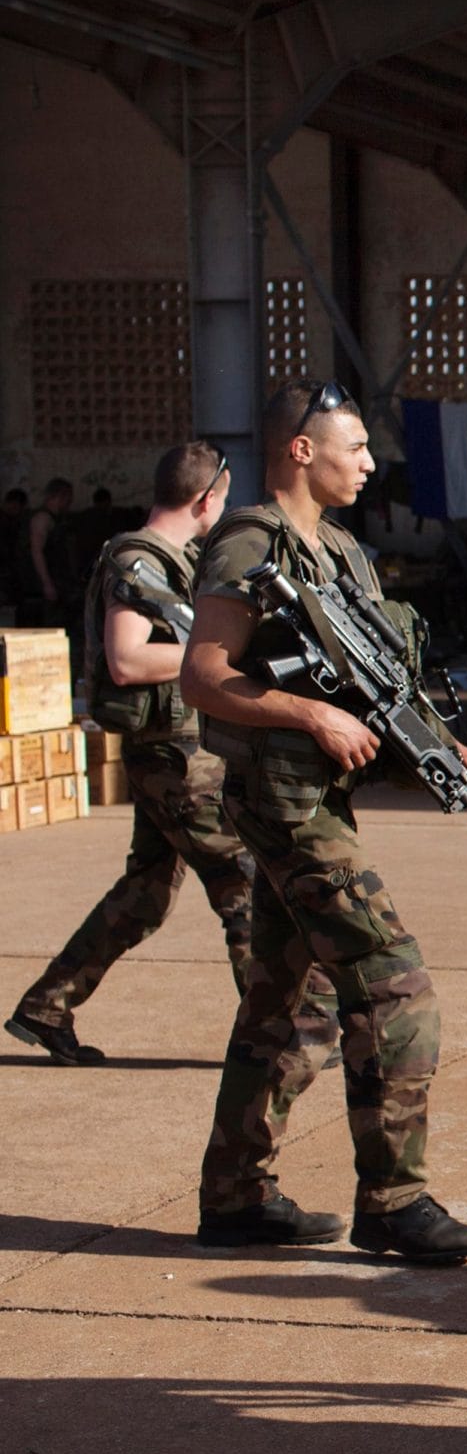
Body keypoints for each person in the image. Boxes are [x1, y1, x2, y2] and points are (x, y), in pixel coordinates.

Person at [181, 379, 467, 1261]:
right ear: (300, 450)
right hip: (281, 801)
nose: (367, 462)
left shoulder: (345, 553)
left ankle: (235, 1194)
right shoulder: (251, 541)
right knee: (394, 985)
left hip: (319, 798)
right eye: (353, 446)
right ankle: (394, 1200)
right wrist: (309, 715)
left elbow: (378, 686)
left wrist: (441, 745)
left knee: (290, 1001)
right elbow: (204, 676)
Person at [10, 442, 280, 1065]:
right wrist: (217, 662)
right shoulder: (137, 560)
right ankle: (274, 1035)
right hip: (173, 758)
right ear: (206, 498)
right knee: (241, 881)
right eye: (225, 496)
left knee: (147, 891)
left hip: (178, 751)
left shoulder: (174, 559)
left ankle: (48, 1006)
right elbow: (126, 659)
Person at [26, 477, 74, 627]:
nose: (69, 503)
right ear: (60, 496)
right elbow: (36, 551)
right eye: (68, 498)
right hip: (42, 586)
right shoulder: (42, 519)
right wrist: (47, 584)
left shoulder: (56, 519)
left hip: (57, 581)